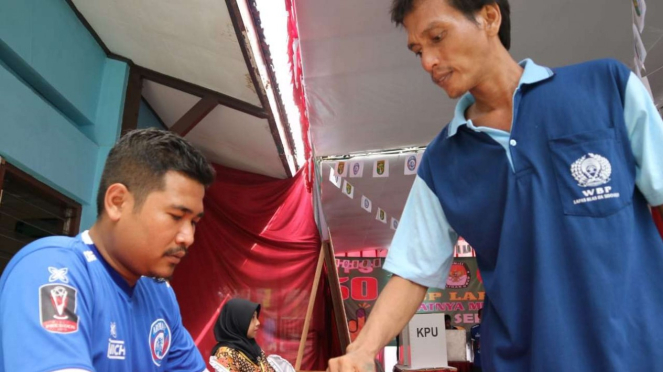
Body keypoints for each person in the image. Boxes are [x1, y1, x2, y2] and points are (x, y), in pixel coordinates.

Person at [327, 0, 663, 371]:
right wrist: (362, 350)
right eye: (418, 50)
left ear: (489, 17)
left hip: (639, 351)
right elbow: (411, 270)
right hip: (524, 360)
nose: (427, 62)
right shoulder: (443, 161)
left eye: (437, 37)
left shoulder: (606, 89)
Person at [0, 129, 216, 371]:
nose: (189, 237)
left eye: (194, 222)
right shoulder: (52, 270)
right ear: (117, 202)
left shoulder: (161, 297)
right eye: (176, 216)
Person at [210, 298, 276, 372]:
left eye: (256, 317)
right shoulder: (225, 353)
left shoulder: (254, 349)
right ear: (237, 321)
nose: (258, 323)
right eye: (252, 318)